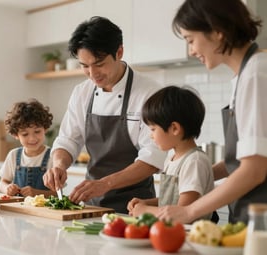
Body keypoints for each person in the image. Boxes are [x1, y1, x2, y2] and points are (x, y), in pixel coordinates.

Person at [157, 0, 267, 224]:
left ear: (217, 31)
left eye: (191, 40)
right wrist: (196, 173)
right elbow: (238, 160)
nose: (191, 50)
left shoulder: (256, 74)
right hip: (250, 214)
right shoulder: (244, 76)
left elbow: (254, 169)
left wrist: (189, 211)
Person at [43, 16, 166, 213]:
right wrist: (58, 165)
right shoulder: (82, 92)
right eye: (84, 65)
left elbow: (152, 158)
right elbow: (68, 140)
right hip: (91, 206)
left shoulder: (150, 93)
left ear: (119, 52)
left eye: (99, 63)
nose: (93, 73)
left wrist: (105, 184)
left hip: (137, 208)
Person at [127, 86, 214, 221]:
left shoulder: (194, 161)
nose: (151, 136)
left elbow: (183, 211)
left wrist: (146, 211)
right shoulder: (172, 158)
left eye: (153, 129)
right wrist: (146, 203)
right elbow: (172, 199)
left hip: (188, 236)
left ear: (174, 128)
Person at [0, 98, 56, 198]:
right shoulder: (14, 155)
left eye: (37, 131)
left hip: (43, 211)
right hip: (17, 209)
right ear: (16, 135)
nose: (32, 138)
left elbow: (57, 193)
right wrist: (7, 188)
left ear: (45, 129)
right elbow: (2, 182)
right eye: (25, 134)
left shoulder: (53, 156)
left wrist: (37, 193)